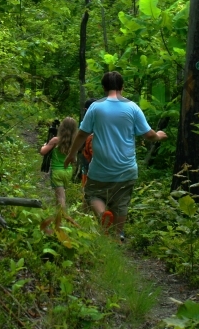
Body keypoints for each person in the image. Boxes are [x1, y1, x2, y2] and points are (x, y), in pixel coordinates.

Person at [65, 72, 167, 242]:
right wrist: (159, 136)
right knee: (121, 202)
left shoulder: (95, 107)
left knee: (93, 194)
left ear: (103, 87)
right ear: (122, 87)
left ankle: (102, 214)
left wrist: (71, 154)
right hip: (126, 169)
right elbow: (149, 135)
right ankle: (118, 236)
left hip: (100, 169)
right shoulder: (133, 107)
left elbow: (82, 134)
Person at [39, 117, 78, 211]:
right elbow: (74, 160)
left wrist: (44, 145)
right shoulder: (75, 142)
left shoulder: (56, 140)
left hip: (57, 172)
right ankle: (58, 214)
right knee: (60, 194)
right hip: (68, 171)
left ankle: (62, 216)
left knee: (60, 197)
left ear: (62, 127)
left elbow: (43, 152)